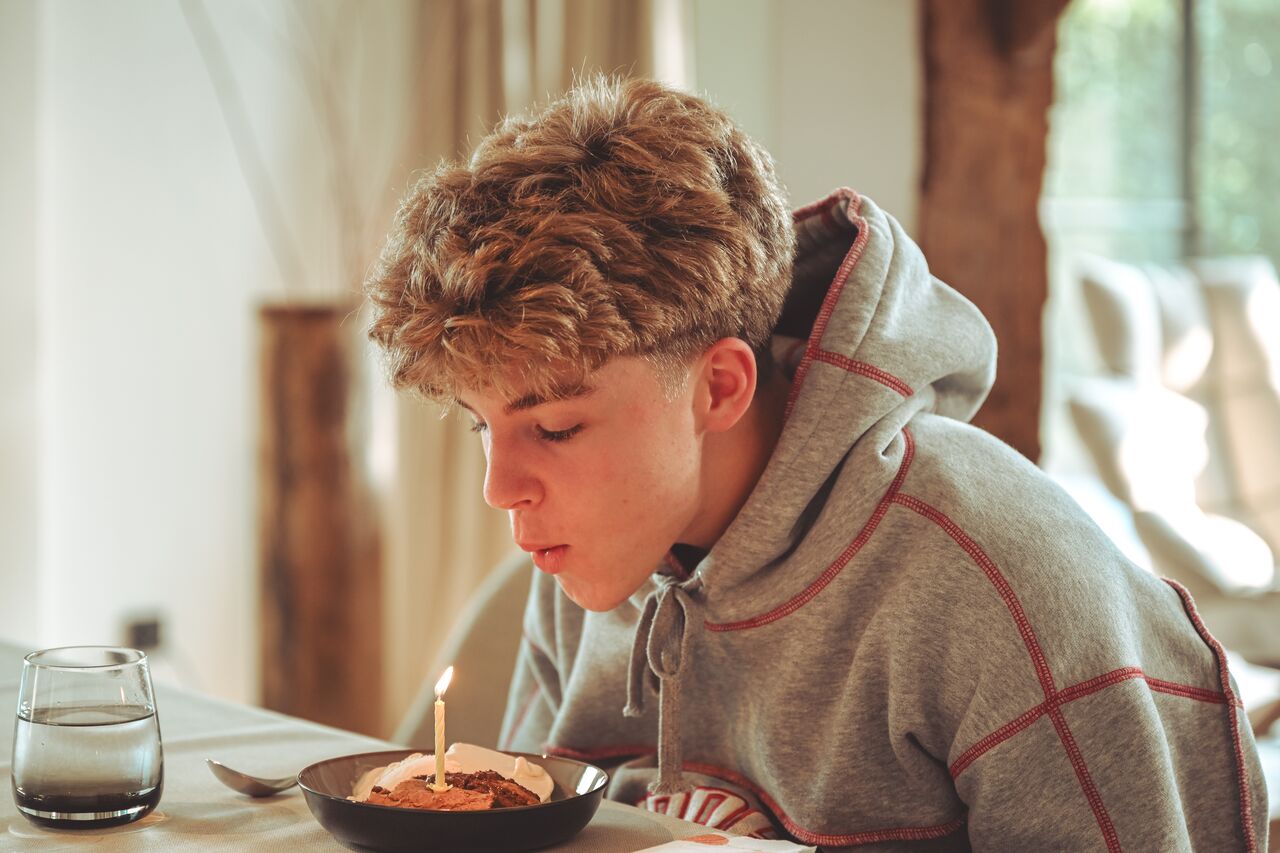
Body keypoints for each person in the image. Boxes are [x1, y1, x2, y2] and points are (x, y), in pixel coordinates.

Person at [365, 76, 1268, 851]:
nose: (500, 489)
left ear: (718, 386)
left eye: (555, 428)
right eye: (480, 426)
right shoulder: (594, 549)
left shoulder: (998, 585)